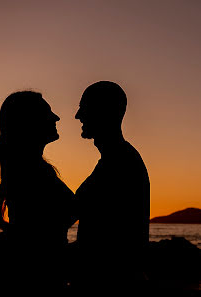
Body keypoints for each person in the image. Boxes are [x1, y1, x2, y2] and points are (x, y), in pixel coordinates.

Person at [0, 91, 76, 293]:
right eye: (48, 112)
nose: (56, 117)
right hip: (39, 283)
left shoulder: (27, 170)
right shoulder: (30, 173)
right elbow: (39, 242)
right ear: (29, 121)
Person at [74, 81, 150, 293]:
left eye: (84, 108)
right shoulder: (118, 159)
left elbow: (71, 211)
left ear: (104, 111)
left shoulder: (120, 163)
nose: (78, 116)